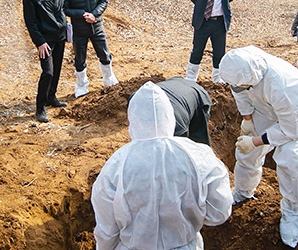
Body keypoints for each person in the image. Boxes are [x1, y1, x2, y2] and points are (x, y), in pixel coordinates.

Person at [91, 81, 232, 249]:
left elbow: (107, 229)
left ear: (133, 120)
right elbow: (219, 212)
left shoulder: (116, 164)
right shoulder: (199, 156)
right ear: (169, 116)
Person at [219, 45, 298, 248]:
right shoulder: (239, 67)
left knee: (290, 158)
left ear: (251, 78)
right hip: (263, 105)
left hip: (295, 112)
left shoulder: (286, 85)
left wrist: (256, 140)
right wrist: (247, 120)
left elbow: (290, 130)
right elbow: (240, 92)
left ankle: (293, 209)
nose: (237, 86)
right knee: (245, 152)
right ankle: (243, 191)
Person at [62, 0, 118, 98]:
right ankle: (81, 85)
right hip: (79, 29)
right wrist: (81, 14)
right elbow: (64, 8)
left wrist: (94, 14)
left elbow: (104, 1)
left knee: (104, 54)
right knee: (80, 59)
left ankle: (109, 79)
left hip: (97, 26)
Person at [23, 0, 68, 123]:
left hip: (60, 36)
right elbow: (31, 21)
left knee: (56, 70)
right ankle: (40, 107)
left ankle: (51, 97)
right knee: (47, 72)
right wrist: (40, 42)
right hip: (45, 40)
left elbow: (61, 9)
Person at [186, 0, 237, 83]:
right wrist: (204, 7)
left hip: (220, 21)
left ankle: (218, 78)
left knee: (219, 52)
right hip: (203, 20)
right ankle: (191, 78)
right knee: (197, 50)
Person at [129, 77, 212, 145]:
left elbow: (179, 148)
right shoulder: (136, 101)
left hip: (197, 96)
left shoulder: (178, 126)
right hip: (174, 85)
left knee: (197, 144)